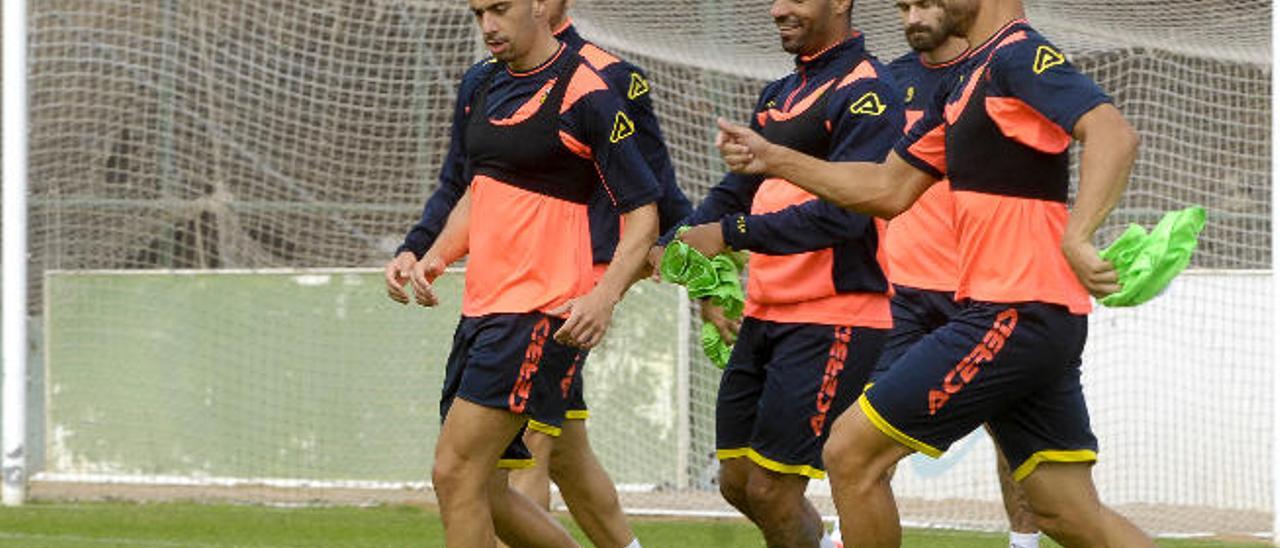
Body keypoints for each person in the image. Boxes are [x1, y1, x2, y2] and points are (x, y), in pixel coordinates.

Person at [714, 0, 1155, 545]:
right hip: (1029, 316)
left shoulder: (1019, 54)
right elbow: (886, 189)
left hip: (1015, 311)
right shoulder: (963, 80)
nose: (914, 9)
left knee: (850, 453)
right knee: (1066, 514)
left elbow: (1113, 133)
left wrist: (1079, 233)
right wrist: (775, 158)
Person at [385, 0, 660, 545]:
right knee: (484, 486)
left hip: (538, 312)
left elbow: (643, 216)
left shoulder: (590, 91)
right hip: (483, 309)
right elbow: (479, 189)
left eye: (500, 9)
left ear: (540, 5)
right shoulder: (482, 85)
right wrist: (434, 256)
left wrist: (603, 295)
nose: (488, 25)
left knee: (456, 472)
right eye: (478, 12)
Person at [660, 0, 902, 545]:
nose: (776, 9)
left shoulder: (869, 91)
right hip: (765, 311)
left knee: (773, 490)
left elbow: (845, 214)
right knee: (739, 482)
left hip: (835, 316)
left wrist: (730, 235)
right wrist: (680, 251)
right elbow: (735, 192)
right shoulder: (779, 95)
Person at [878, 1, 1040, 546]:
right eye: (902, 7)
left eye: (922, 4)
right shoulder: (886, 82)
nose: (912, 17)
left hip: (983, 288)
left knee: (1011, 434)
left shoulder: (1000, 71)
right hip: (902, 290)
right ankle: (848, 529)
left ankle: (1024, 541)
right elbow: (875, 181)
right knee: (869, 427)